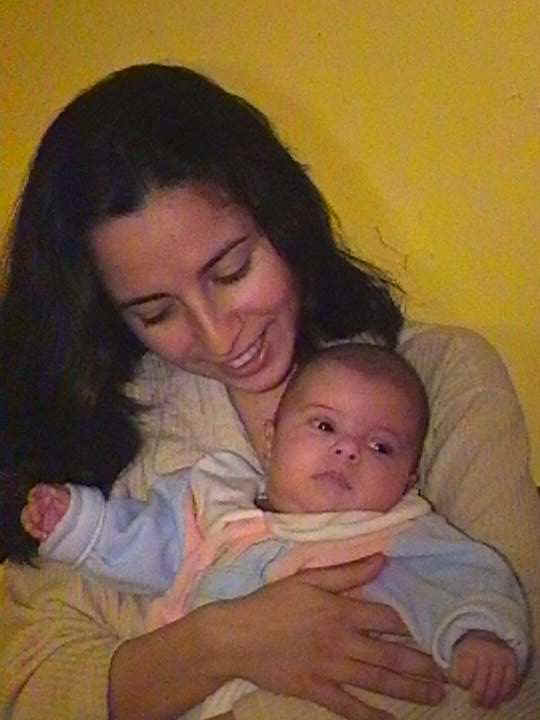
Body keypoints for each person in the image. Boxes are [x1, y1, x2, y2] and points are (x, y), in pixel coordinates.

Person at [0, 62, 538, 720]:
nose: (218, 335)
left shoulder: (444, 377)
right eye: (157, 313)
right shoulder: (106, 424)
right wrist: (224, 641)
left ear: (281, 220)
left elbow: (513, 668)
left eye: (231, 271)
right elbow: (33, 681)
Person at [20, 344, 529, 718]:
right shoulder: (218, 505)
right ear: (271, 439)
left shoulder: (402, 533)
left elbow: (473, 577)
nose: (348, 450)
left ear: (409, 479)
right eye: (325, 427)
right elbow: (143, 540)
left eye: (381, 447)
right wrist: (76, 520)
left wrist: (478, 635)